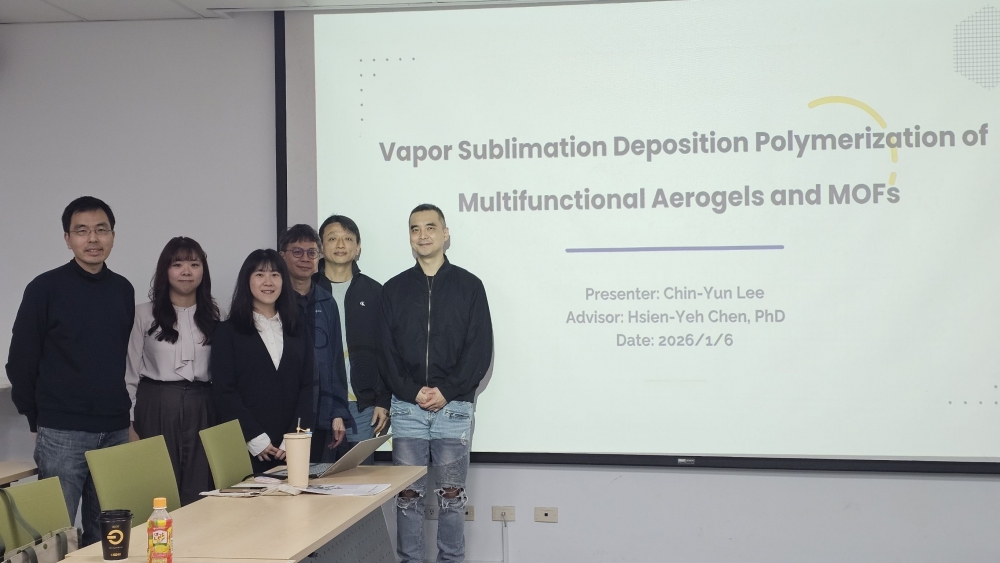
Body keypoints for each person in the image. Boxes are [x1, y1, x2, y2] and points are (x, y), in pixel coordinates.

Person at [6, 196, 135, 546]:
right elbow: (20, 361)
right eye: (82, 231)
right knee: (55, 537)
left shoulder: (123, 289)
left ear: (112, 235)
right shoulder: (44, 288)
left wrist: (124, 418)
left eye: (101, 230)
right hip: (63, 431)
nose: (93, 239)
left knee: (109, 536)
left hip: (115, 428)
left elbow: (114, 358)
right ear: (67, 238)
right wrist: (37, 418)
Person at [380, 204, 493, 563]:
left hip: (454, 408)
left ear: (445, 234)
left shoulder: (470, 286)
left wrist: (447, 391)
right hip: (407, 409)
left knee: (451, 499)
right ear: (410, 237)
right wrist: (411, 391)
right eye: (415, 229)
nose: (422, 234)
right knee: (407, 499)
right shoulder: (393, 289)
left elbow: (480, 350)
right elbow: (386, 351)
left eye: (430, 227)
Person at [126, 237, 220, 505]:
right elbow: (129, 373)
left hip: (203, 406)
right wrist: (128, 425)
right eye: (177, 264)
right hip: (155, 405)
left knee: (200, 489)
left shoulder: (216, 315)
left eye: (194, 264)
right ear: (164, 270)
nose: (186, 271)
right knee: (156, 488)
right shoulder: (143, 314)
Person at [211, 249, 313, 473]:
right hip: (246, 447)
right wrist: (254, 438)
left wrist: (295, 437)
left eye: (275, 274)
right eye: (260, 274)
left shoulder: (298, 329)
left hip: (291, 447)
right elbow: (224, 391)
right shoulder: (227, 331)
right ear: (247, 280)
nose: (268, 282)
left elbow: (308, 386)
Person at [313, 215, 390, 461]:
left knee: (362, 478)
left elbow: (388, 351)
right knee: (317, 478)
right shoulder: (307, 291)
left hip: (363, 406)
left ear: (358, 248)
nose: (340, 245)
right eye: (332, 239)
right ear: (321, 247)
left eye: (348, 239)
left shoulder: (375, 292)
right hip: (318, 405)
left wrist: (383, 400)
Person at [278, 224, 351, 462]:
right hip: (284, 411)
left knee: (321, 478)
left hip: (321, 412)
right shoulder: (273, 301)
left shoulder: (327, 302)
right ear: (282, 256)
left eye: (311, 253)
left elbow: (335, 363)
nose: (305, 259)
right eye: (297, 252)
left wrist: (338, 413)